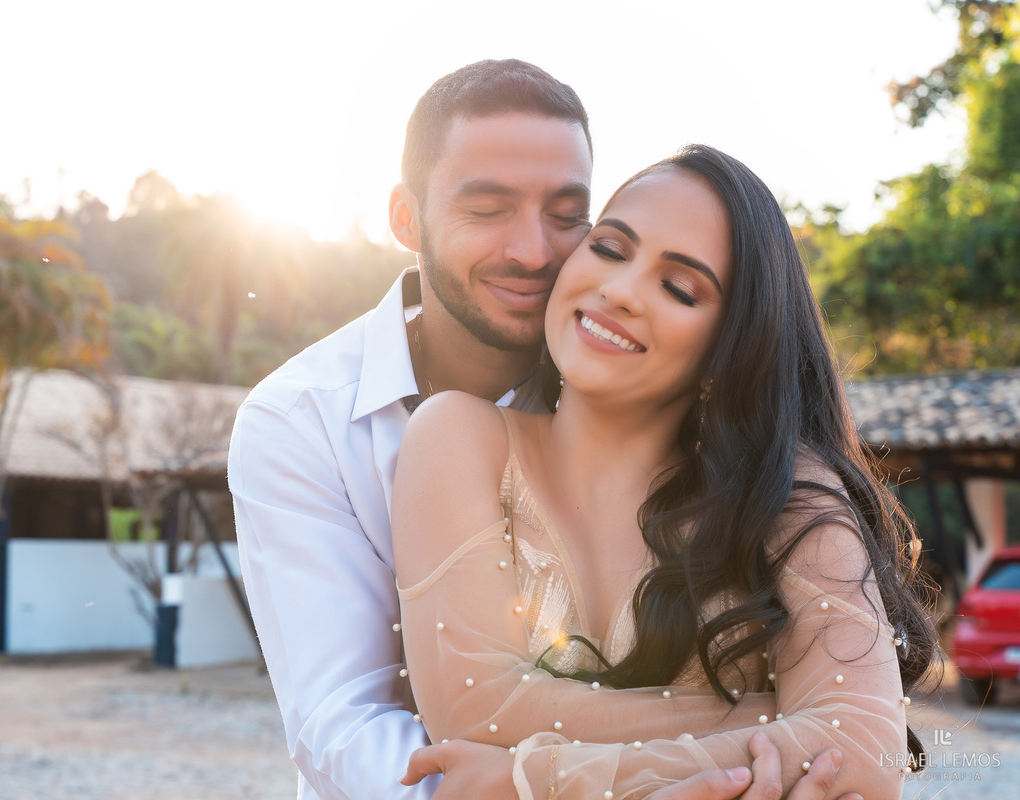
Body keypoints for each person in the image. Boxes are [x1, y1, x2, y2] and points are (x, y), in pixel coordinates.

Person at [231, 59, 868, 800]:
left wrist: (557, 773)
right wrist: (767, 726)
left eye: (568, 215)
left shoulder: (631, 368)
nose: (533, 251)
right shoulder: (300, 419)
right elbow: (342, 725)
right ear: (408, 219)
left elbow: (861, 741)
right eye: (487, 209)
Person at [390, 145, 938, 798]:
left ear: (730, 343)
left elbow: (862, 751)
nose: (619, 292)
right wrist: (778, 721)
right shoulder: (460, 437)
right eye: (610, 249)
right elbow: (476, 711)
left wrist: (531, 776)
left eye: (679, 287)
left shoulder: (786, 490)